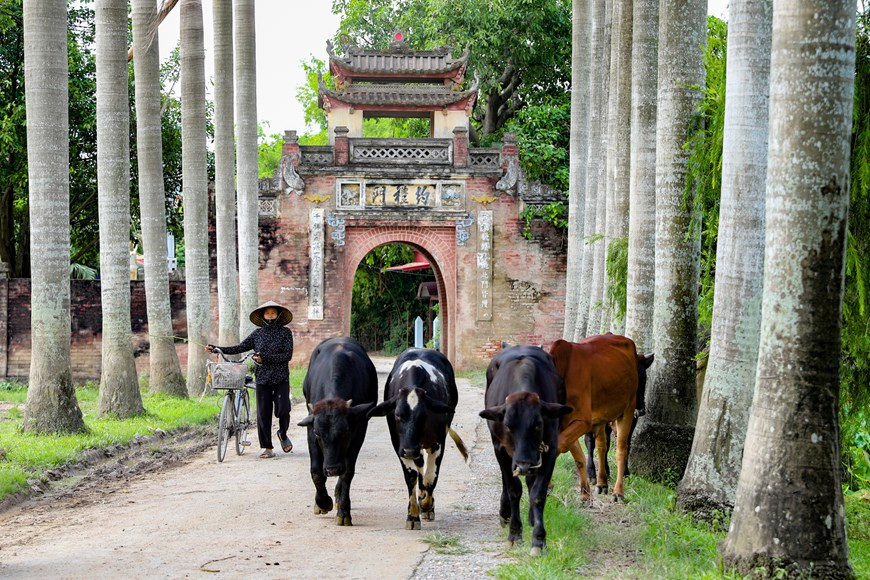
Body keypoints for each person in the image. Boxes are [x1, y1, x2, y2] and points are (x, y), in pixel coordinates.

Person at [207, 301, 294, 459]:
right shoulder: (257, 334)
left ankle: (282, 433)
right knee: (263, 414)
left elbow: (287, 355)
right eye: (267, 313)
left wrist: (265, 358)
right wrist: (217, 349)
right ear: (263, 316)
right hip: (262, 378)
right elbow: (240, 347)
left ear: (278, 315)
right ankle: (267, 448)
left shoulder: (285, 333)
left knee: (283, 410)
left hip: (281, 377)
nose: (270, 316)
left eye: (273, 313)